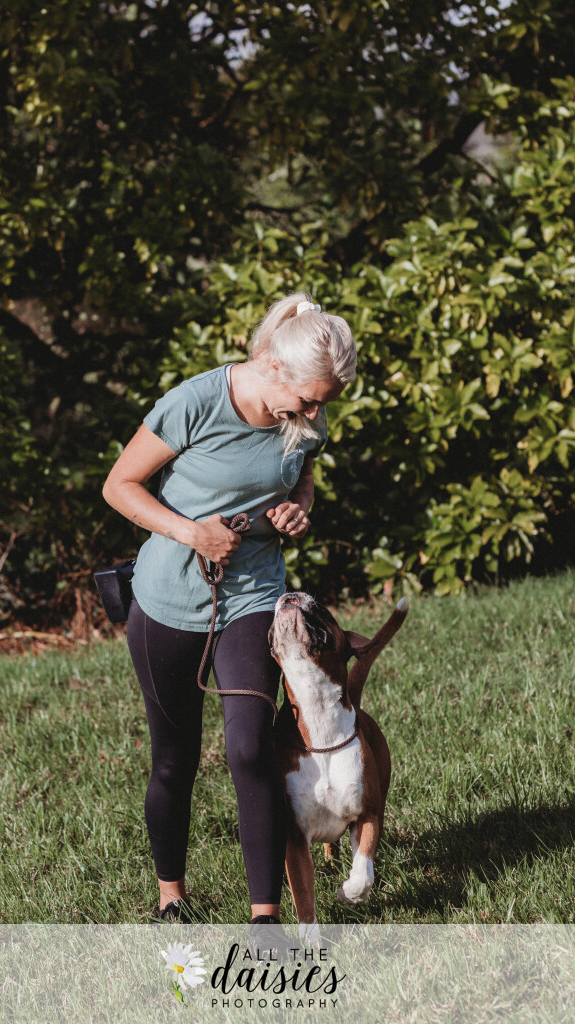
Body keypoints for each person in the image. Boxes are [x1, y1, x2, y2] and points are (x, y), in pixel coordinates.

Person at [102, 291, 357, 923]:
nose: (316, 414)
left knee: (249, 749)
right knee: (174, 759)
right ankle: (171, 897)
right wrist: (193, 533)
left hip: (253, 597)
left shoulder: (307, 416)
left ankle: (265, 919)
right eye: (308, 400)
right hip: (167, 599)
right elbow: (118, 486)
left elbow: (302, 473)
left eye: (323, 403)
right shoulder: (194, 403)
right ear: (272, 364)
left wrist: (299, 507)